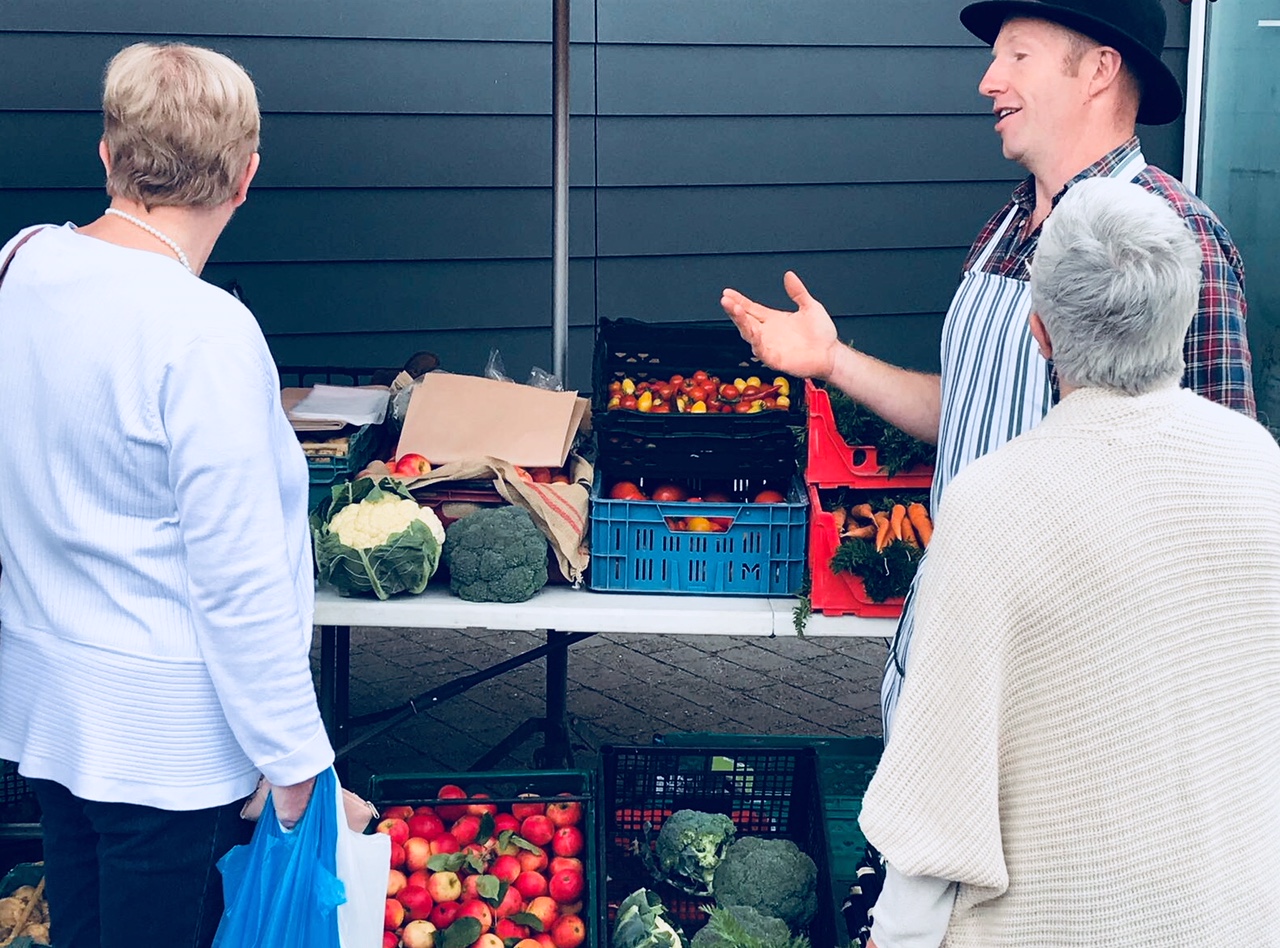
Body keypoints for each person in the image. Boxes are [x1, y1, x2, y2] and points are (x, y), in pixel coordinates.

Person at [720, 0, 1255, 737]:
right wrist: (832, 361)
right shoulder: (1002, 228)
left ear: (1099, 70)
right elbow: (969, 411)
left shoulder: (1172, 237)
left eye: (1017, 56)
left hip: (1060, 688)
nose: (988, 80)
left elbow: (1220, 495)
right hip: (946, 642)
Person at [858, 176, 1280, 946]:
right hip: (1233, 918)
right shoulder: (1261, 466)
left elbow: (937, 802)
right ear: (1184, 318)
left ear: (1040, 333)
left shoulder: (992, 502)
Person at [0, 44, 334, 947]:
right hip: (166, 749)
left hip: (48, 712)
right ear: (246, 177)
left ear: (106, 155)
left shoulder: (19, 268)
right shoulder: (206, 332)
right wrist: (293, 756)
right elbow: (237, 575)